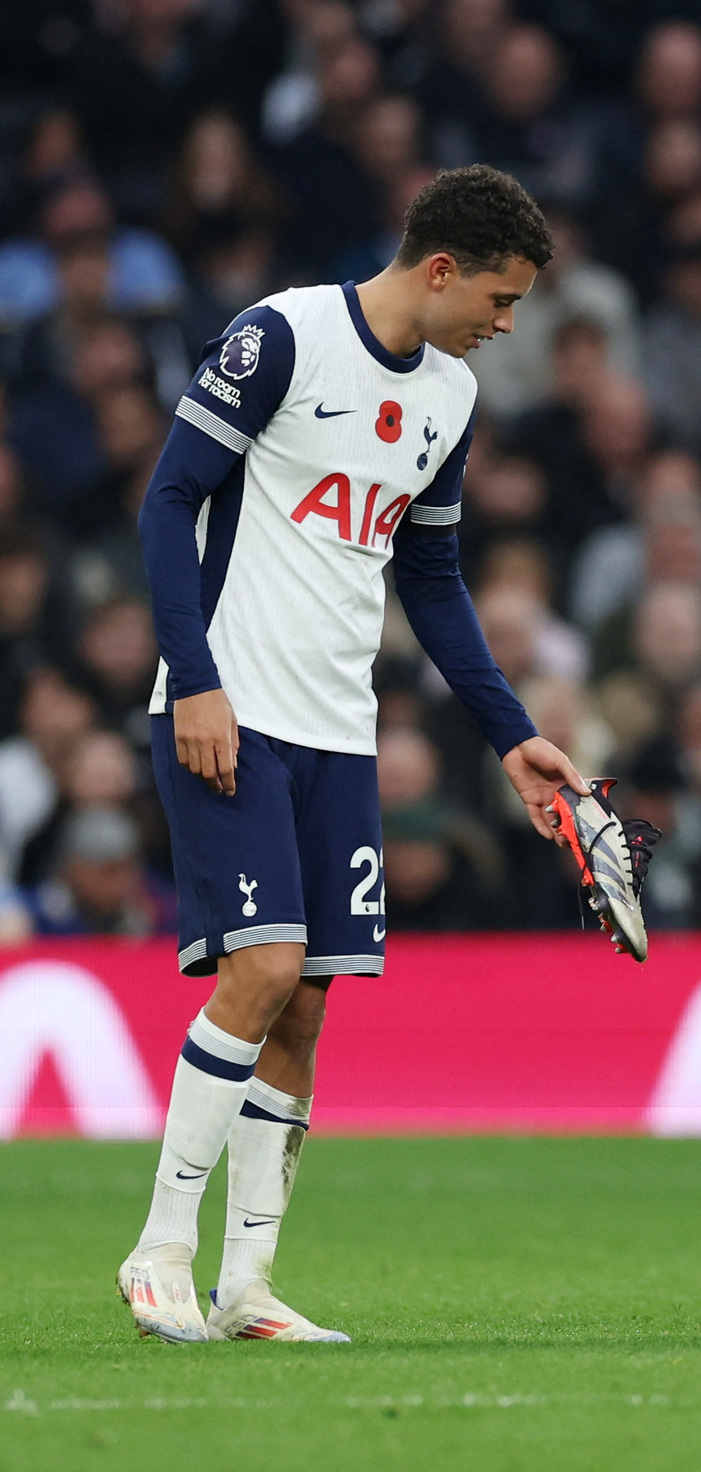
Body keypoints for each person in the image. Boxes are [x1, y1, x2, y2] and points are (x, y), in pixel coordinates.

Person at [119, 166, 593, 1345]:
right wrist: (199, 678)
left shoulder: (452, 396)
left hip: (340, 725)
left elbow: (428, 577)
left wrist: (508, 732)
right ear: (442, 269)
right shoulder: (281, 334)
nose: (507, 321)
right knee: (266, 964)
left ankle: (249, 1284)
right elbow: (170, 501)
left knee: (311, 999)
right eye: (502, 295)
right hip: (231, 704)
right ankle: (160, 1248)